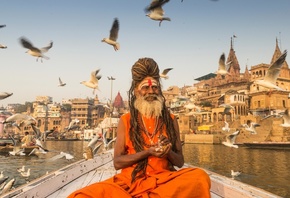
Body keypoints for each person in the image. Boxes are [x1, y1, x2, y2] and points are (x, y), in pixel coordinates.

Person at [69, 57, 211, 198]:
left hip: (163, 181)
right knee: (81, 196)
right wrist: (148, 152)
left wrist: (168, 152)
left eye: (154, 87)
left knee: (200, 177)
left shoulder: (171, 120)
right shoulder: (126, 120)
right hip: (130, 182)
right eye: (145, 87)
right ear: (137, 91)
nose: (151, 91)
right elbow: (117, 162)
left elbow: (179, 162)